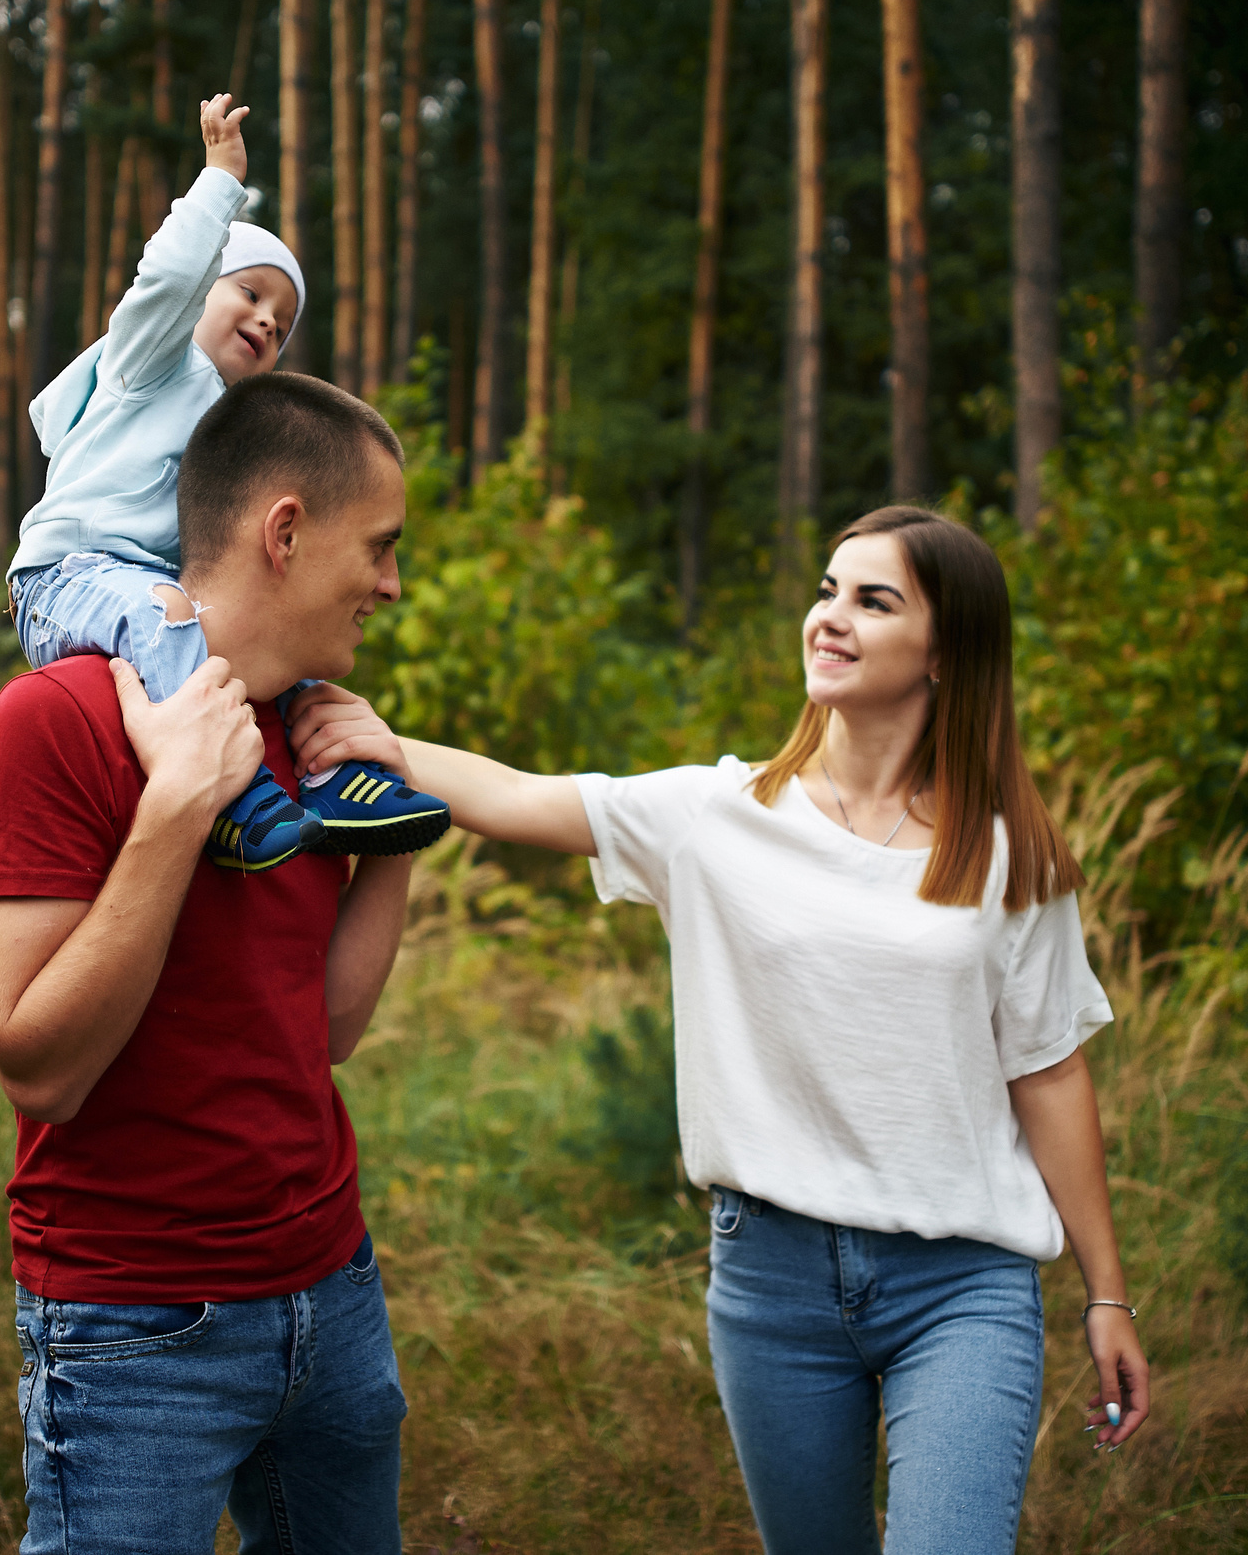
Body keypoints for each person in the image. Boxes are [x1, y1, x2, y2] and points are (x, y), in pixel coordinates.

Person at [285, 504, 1155, 1555]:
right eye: (828, 588)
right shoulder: (719, 814)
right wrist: (380, 740)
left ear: (944, 652)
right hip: (770, 1280)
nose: (830, 617)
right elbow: (520, 795)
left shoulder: (1008, 854)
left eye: (874, 600)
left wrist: (1106, 1292)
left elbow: (1049, 1073)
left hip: (962, 1283)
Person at [0, 373, 423, 1554]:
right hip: (134, 1325)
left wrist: (391, 832)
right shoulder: (53, 720)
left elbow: (321, 1032)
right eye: (377, 546)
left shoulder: (309, 726)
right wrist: (177, 810)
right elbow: (40, 1069)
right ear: (284, 530)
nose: (391, 583)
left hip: (331, 1290)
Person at [8, 90, 447, 871]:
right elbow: (167, 282)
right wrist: (219, 181)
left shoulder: (225, 425)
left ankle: (339, 779)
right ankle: (234, 802)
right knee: (170, 610)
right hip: (64, 578)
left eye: (282, 322)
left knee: (287, 640)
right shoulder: (145, 365)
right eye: (250, 292)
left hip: (151, 592)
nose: (268, 322)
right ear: (202, 293)